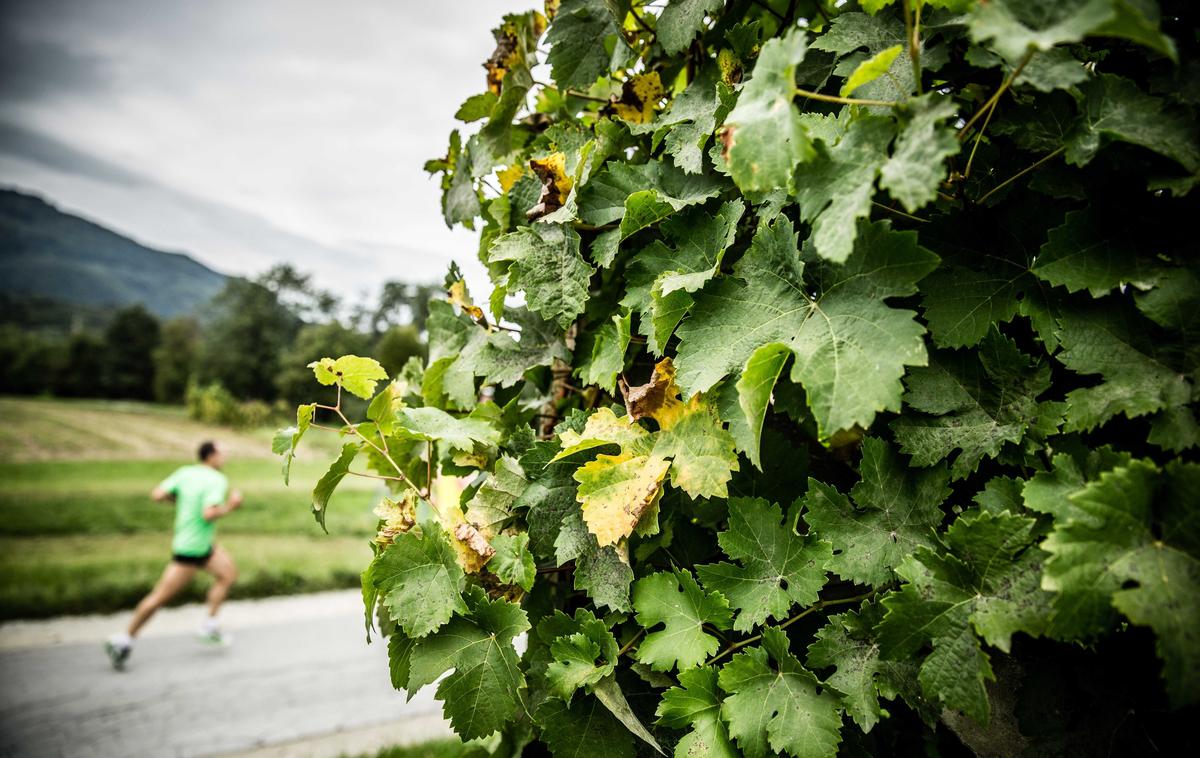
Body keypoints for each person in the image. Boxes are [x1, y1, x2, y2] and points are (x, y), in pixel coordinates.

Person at [105, 440, 243, 669]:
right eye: (222, 453)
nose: (225, 457)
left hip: (201, 545)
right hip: (191, 550)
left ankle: (209, 625)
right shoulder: (217, 480)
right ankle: (124, 639)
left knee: (228, 574)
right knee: (159, 597)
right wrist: (232, 505)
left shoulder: (185, 473)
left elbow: (158, 494)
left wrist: (182, 500)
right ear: (209, 456)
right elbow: (209, 513)